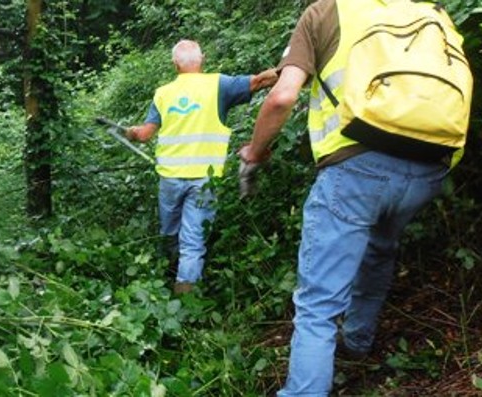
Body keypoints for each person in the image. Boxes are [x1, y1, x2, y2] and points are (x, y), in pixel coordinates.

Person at [239, 0, 454, 394]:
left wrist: (255, 152)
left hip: (356, 167)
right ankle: (357, 342)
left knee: (319, 303)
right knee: (379, 248)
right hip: (429, 167)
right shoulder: (430, 11)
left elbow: (283, 97)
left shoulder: (325, 12)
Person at [126, 39, 278, 294]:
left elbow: (143, 135)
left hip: (170, 179)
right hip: (204, 180)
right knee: (193, 241)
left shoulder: (163, 93)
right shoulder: (219, 85)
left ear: (175, 64)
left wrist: (130, 132)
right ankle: (185, 299)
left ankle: (169, 283)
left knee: (169, 233)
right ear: (202, 59)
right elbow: (261, 81)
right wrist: (292, 70)